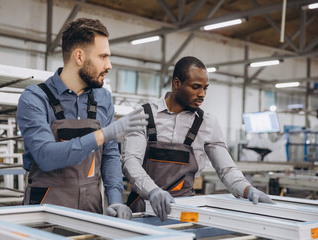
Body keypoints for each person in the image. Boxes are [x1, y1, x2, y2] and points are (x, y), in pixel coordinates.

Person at [16, 18, 148, 220]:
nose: (109, 65)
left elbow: (110, 155)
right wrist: (103, 134)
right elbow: (46, 155)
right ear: (79, 56)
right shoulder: (35, 98)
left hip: (90, 208)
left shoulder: (102, 98)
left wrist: (114, 199)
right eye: (103, 56)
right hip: (45, 210)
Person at [122, 56, 274, 221]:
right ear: (177, 83)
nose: (202, 94)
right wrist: (152, 191)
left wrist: (247, 189)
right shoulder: (143, 114)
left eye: (205, 88)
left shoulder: (207, 123)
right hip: (142, 207)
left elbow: (226, 170)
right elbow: (131, 161)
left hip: (184, 211)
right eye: (195, 87)